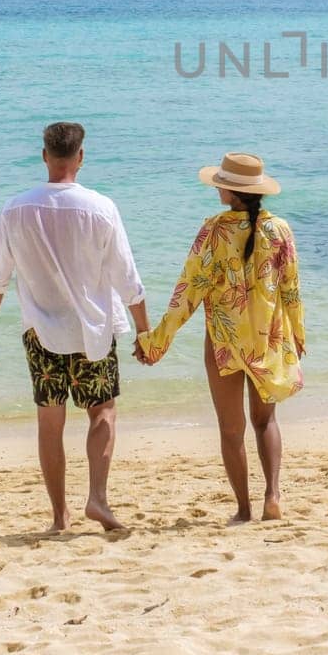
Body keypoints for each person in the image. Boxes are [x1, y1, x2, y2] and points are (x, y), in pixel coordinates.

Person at [0, 121, 150, 533]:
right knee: (102, 412)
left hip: (41, 333)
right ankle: (97, 500)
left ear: (44, 155)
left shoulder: (15, 208)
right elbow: (128, 279)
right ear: (81, 157)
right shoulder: (101, 208)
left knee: (50, 422)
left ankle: (59, 517)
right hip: (93, 332)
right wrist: (144, 331)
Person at [135, 151, 304, 524]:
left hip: (225, 342)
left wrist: (156, 340)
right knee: (266, 422)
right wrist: (298, 334)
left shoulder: (214, 231)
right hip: (267, 340)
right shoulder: (279, 230)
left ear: (229, 191)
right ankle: (272, 494)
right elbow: (291, 290)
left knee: (231, 430)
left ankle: (243, 510)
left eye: (221, 185)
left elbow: (189, 291)